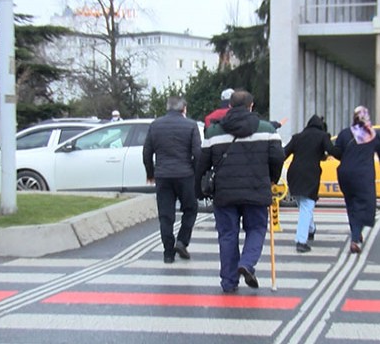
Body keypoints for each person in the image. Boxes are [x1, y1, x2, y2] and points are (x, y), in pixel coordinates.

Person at [196, 90, 285, 293]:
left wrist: (198, 190)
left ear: (229, 106)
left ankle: (229, 282)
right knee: (256, 229)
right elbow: (278, 157)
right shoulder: (268, 130)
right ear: (251, 106)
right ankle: (247, 263)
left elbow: (202, 164)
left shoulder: (213, 133)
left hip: (224, 192)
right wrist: (273, 178)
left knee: (227, 234)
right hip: (256, 189)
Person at [143, 97, 202, 263]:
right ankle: (182, 241)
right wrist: (196, 173)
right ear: (183, 108)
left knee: (166, 215)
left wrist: (150, 173)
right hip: (185, 174)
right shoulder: (191, 125)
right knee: (190, 209)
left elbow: (147, 152)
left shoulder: (155, 125)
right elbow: (197, 153)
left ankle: (168, 253)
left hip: (163, 175)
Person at [331, 106, 380, 254]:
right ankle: (355, 238)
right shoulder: (372, 134)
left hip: (345, 174)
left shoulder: (344, 133)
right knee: (365, 206)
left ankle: (356, 233)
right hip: (363, 176)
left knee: (351, 204)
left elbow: (337, 152)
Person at [284, 114, 334, 253]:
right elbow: (331, 150)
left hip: (294, 173)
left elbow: (283, 153)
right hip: (310, 175)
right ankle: (301, 241)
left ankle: (311, 229)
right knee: (307, 206)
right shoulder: (322, 136)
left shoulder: (297, 137)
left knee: (304, 205)